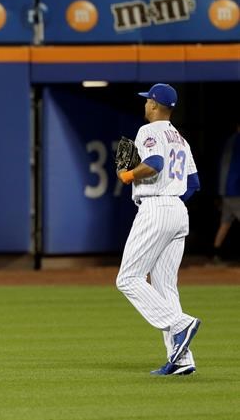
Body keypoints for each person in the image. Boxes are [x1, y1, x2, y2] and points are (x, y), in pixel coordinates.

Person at [115, 83, 201, 376]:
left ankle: (180, 324)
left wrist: (128, 175)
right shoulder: (181, 139)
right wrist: (172, 198)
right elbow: (193, 184)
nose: (145, 105)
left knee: (128, 278)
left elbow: (154, 162)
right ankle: (182, 359)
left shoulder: (148, 131)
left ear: (153, 105)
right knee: (165, 287)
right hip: (178, 210)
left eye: (147, 101)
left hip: (156, 209)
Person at [212, 123, 240, 264]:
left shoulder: (230, 141)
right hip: (234, 190)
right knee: (225, 223)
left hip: (226, 190)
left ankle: (216, 254)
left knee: (225, 223)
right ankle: (216, 254)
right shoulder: (237, 140)